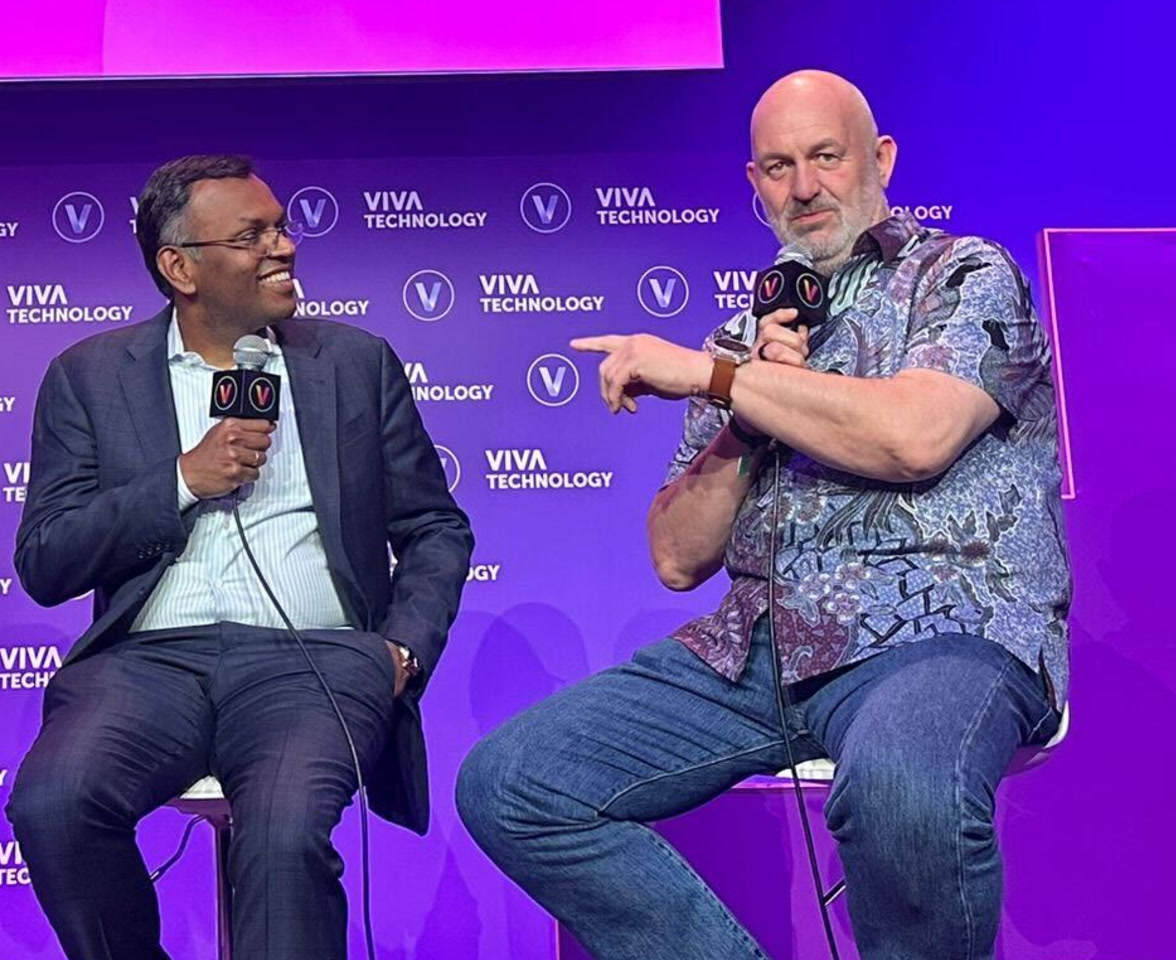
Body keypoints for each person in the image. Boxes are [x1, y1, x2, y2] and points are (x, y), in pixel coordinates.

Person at [456, 70, 1070, 960]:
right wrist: (746, 411)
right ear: (754, 186)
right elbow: (676, 556)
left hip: (944, 630)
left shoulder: (964, 275)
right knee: (511, 783)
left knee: (902, 784)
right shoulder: (747, 336)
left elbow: (917, 438)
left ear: (881, 160)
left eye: (826, 157)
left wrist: (721, 378)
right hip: (759, 650)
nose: (804, 187)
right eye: (779, 167)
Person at [7, 154, 473, 960]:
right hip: (147, 665)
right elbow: (48, 560)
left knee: (286, 837)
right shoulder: (87, 378)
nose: (282, 247)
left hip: (315, 661)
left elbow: (435, 527)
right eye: (252, 235)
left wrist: (399, 651)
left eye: (283, 227)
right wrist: (181, 481)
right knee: (54, 805)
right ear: (179, 267)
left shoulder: (354, 365)